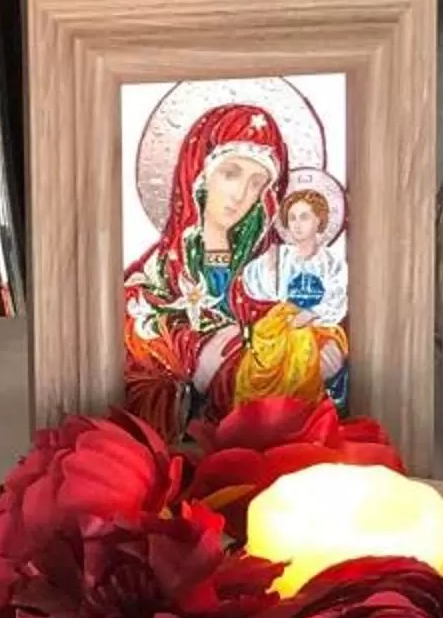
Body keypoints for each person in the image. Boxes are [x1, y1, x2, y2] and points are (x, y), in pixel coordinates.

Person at [121, 100, 289, 438]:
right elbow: (135, 325)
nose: (242, 194)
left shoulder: (274, 268)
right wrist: (199, 352)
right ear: (197, 174)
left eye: (257, 183)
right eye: (231, 174)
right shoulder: (158, 270)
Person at [235, 186, 349, 406]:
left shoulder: (331, 262)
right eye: (292, 218)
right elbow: (254, 285)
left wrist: (310, 314)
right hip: (280, 323)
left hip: (320, 326)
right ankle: (261, 415)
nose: (297, 224)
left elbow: (336, 299)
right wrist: (269, 269)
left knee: (301, 345)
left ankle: (297, 412)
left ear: (319, 220)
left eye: (304, 217)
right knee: (262, 356)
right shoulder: (280, 256)